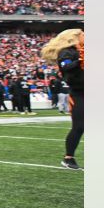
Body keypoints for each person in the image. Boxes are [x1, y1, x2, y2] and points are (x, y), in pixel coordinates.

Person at [42, 29, 84, 169]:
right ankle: (68, 158)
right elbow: (66, 67)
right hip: (79, 92)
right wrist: (80, 60)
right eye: (82, 34)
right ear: (73, 37)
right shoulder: (67, 52)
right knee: (79, 127)